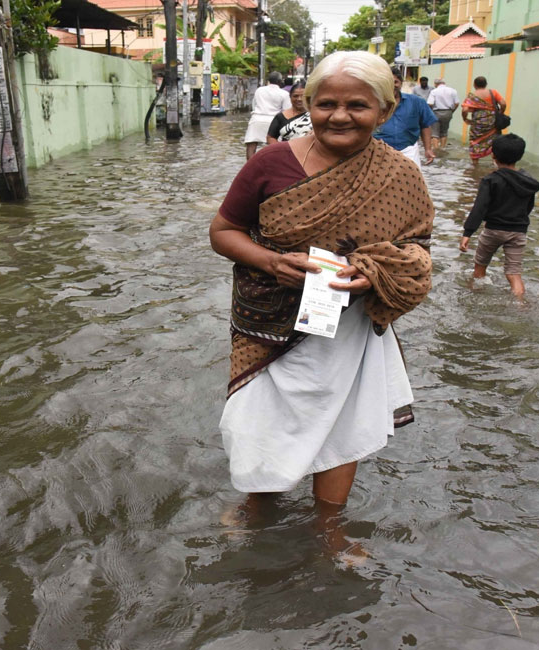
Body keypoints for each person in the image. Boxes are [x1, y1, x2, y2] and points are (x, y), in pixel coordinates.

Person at [209, 51, 433, 556]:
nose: (339, 116)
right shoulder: (269, 164)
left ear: (385, 110)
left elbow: (417, 250)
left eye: (358, 105)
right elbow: (223, 232)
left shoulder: (400, 175)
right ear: (308, 104)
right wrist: (272, 261)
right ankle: (257, 506)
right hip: (267, 325)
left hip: (349, 329)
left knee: (342, 422)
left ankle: (329, 527)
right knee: (260, 420)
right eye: (326, 104)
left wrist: (375, 271)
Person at [459, 134, 539, 298]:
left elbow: (479, 208)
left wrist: (468, 232)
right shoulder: (528, 181)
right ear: (520, 156)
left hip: (493, 231)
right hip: (518, 232)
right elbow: (529, 206)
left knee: (480, 266)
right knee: (514, 273)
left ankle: (476, 297)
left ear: (493, 155)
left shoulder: (490, 180)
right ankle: (520, 303)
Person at [374, 65, 437, 167]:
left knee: (411, 176)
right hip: (378, 152)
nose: (392, 86)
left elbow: (425, 125)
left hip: (408, 151)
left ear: (401, 83)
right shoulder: (373, 103)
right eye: (388, 83)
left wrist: (428, 149)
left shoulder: (417, 102)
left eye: (395, 82)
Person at [243, 71, 291, 160]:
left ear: (268, 80)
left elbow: (254, 105)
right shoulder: (284, 94)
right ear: (280, 82)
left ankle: (250, 166)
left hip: (256, 119)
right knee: (274, 146)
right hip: (274, 121)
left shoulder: (259, 90)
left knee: (251, 144)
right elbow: (286, 111)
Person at [461, 76, 507, 164]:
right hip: (492, 122)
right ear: (486, 84)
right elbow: (503, 103)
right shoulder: (493, 92)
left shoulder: (472, 96)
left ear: (474, 85)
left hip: (477, 124)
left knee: (475, 142)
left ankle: (475, 165)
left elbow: (465, 110)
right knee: (494, 141)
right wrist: (500, 113)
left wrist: (465, 119)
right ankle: (495, 164)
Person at [426, 78, 459, 151]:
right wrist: (451, 111)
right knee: (444, 132)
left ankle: (436, 150)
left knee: (434, 133)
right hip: (448, 112)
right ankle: (443, 148)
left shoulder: (434, 91)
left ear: (436, 84)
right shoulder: (453, 91)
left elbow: (430, 103)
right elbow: (457, 103)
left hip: (436, 112)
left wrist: (430, 112)